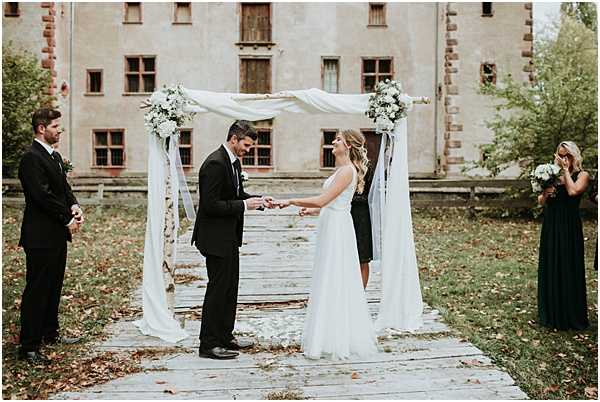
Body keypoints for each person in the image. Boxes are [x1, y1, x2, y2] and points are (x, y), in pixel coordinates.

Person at [276, 129, 378, 359]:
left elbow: (324, 199)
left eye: (339, 139)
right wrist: (312, 210)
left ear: (349, 146)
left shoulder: (346, 171)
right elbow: (334, 203)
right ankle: (330, 332)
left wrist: (291, 200)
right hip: (332, 223)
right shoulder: (341, 170)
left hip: (338, 229)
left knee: (334, 276)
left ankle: (335, 336)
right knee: (329, 275)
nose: (334, 141)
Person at [191, 120, 273, 360]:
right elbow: (210, 204)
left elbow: (235, 195)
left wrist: (257, 201)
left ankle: (225, 336)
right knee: (217, 290)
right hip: (214, 238)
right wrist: (244, 205)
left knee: (230, 289)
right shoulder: (215, 163)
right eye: (246, 145)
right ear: (233, 138)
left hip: (228, 237)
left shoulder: (233, 163)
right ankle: (208, 344)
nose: (248, 150)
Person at [17, 108, 83, 364]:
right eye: (56, 126)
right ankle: (29, 347)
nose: (60, 131)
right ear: (42, 128)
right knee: (37, 289)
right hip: (40, 236)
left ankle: (50, 332)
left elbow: (62, 189)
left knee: (54, 285)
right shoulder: (31, 159)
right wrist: (66, 218)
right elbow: (42, 196)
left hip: (56, 234)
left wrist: (74, 205)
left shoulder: (53, 157)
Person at [537, 141, 589, 330]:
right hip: (551, 224)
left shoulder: (582, 175)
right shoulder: (551, 175)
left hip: (569, 226)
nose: (563, 159)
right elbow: (541, 201)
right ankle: (551, 313)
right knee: (551, 264)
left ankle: (570, 314)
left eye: (567, 156)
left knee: (568, 265)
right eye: (560, 155)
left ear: (574, 156)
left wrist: (565, 171)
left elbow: (573, 191)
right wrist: (546, 193)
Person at [351, 163, 375, 289]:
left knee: (362, 258)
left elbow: (371, 194)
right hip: (345, 214)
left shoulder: (366, 166)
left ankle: (360, 295)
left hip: (361, 216)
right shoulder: (343, 164)